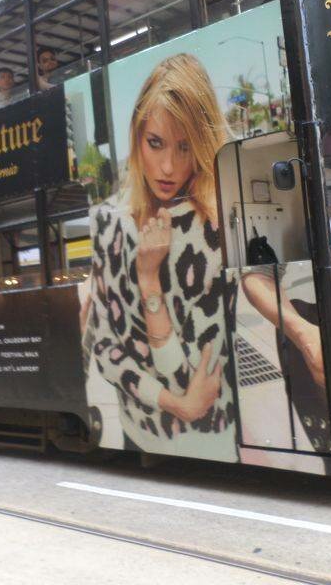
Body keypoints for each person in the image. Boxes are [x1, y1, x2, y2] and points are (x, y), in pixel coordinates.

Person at [84, 53, 236, 460]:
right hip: (137, 433)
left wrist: (149, 280)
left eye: (186, 147)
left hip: (209, 439)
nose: (169, 167)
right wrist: (174, 403)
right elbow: (103, 348)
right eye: (156, 143)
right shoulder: (108, 222)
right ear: (137, 137)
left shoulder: (214, 225)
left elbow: (188, 376)